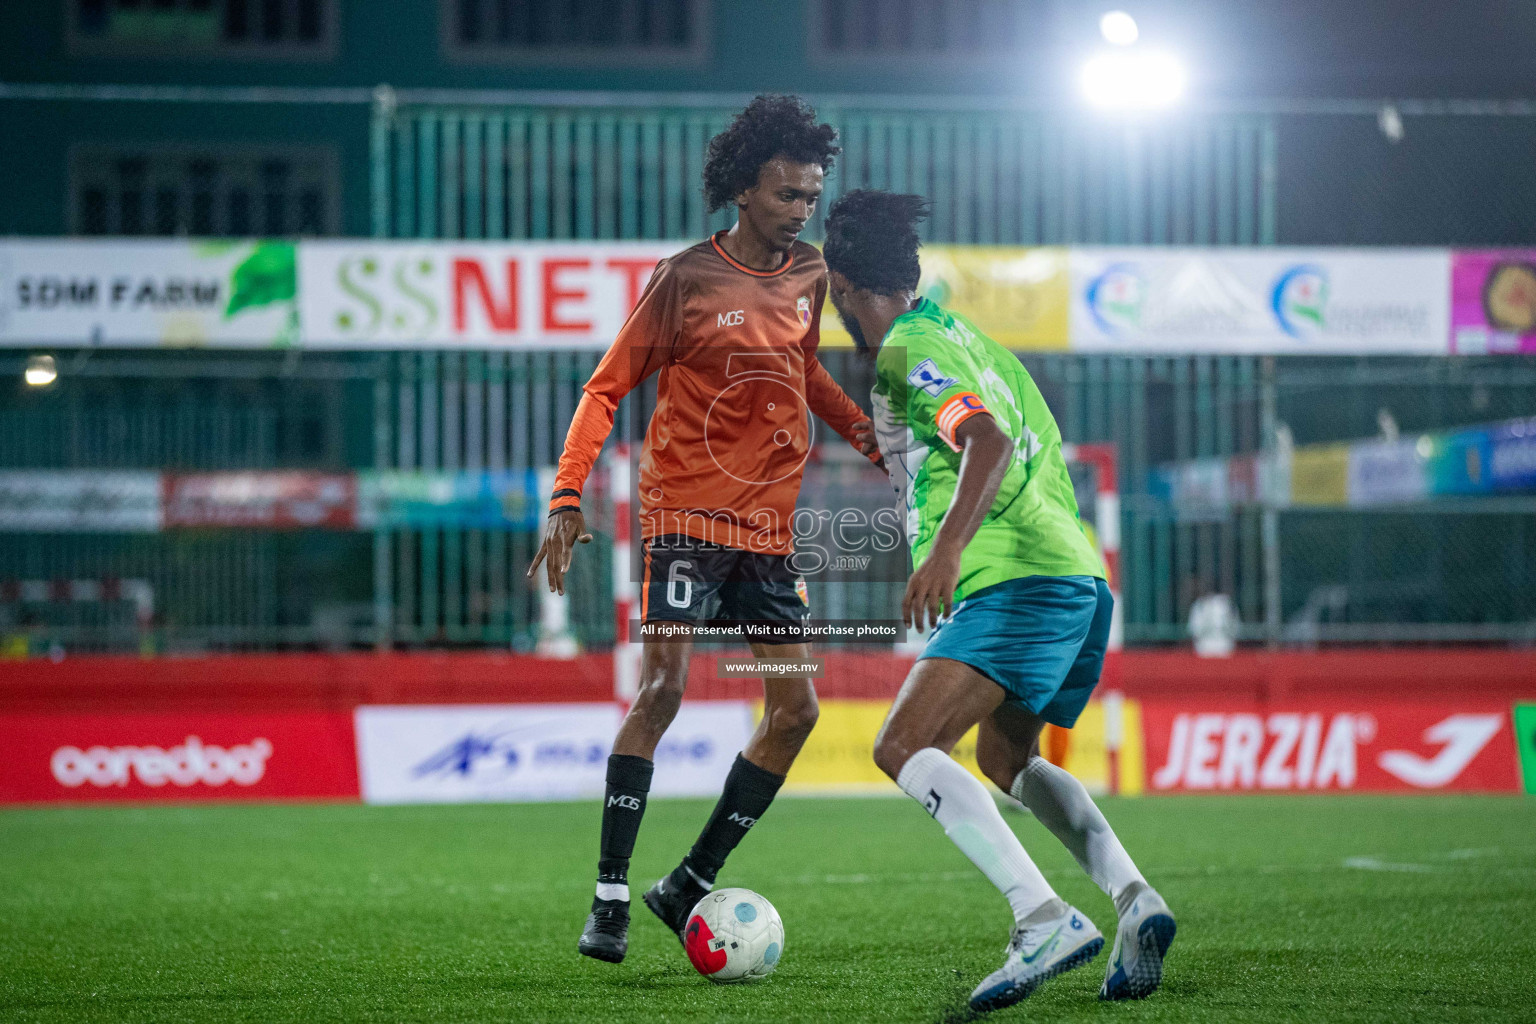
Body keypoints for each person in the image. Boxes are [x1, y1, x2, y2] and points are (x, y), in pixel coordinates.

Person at [528, 95, 880, 965]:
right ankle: (609, 898)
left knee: (796, 710)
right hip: (685, 519)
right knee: (662, 692)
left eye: (812, 195)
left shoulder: (810, 277)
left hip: (767, 536)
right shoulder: (685, 278)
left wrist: (876, 442)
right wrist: (567, 496)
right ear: (743, 188)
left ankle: (687, 882)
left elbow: (808, 377)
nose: (802, 208)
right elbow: (604, 389)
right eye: (787, 192)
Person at [822, 190, 1175, 1011]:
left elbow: (984, 438)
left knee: (905, 744)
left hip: (1014, 581)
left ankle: (1042, 918)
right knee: (1004, 758)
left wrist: (944, 553)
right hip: (1078, 577)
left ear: (841, 284)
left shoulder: (907, 349)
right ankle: (1134, 900)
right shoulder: (968, 338)